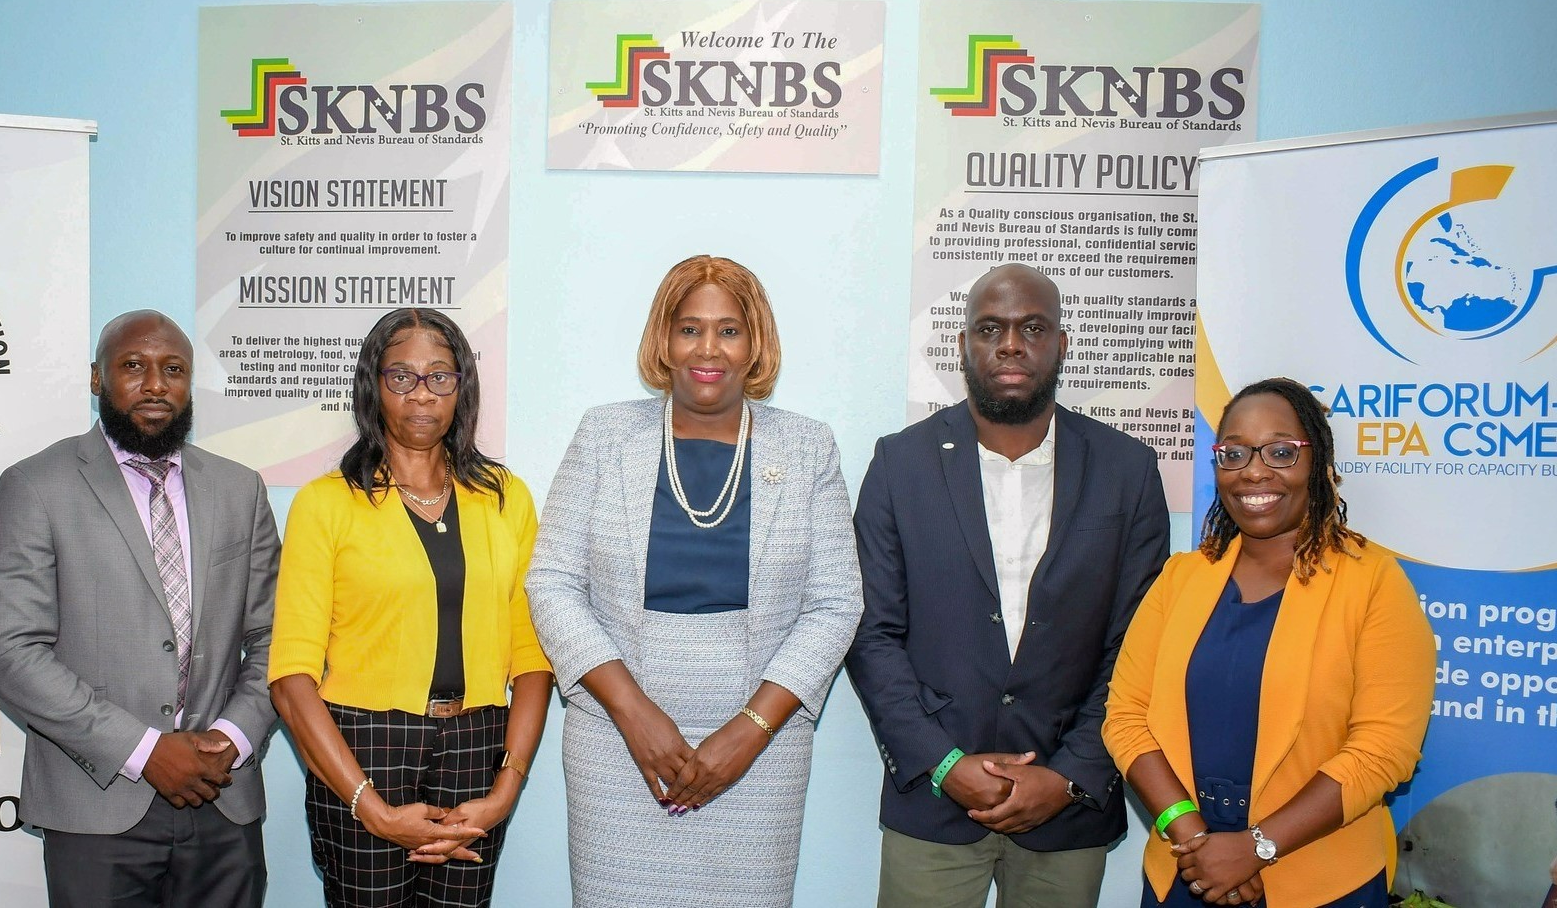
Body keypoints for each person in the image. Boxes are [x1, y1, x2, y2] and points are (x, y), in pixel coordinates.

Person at [527, 255, 864, 907]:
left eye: (729, 330)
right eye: (689, 328)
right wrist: (635, 714)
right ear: (664, 339)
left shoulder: (808, 447)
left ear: (755, 342)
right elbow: (553, 584)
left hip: (760, 756)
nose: (708, 348)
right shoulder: (604, 435)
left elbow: (835, 604)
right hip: (615, 745)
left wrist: (749, 731)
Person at [845, 262, 1170, 908]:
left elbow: (1140, 645)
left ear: (1061, 344)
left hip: (1066, 810)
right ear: (964, 345)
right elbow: (871, 634)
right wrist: (943, 763)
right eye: (990, 328)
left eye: (1033, 328)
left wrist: (1072, 776)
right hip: (934, 801)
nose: (1012, 345)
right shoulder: (899, 464)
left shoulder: (1127, 470)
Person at [0, 310, 282, 908]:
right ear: (97, 379)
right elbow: (9, 650)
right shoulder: (36, 485)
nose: (155, 384)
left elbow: (278, 636)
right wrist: (144, 750)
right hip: (95, 802)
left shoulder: (239, 488)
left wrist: (231, 737)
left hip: (225, 799)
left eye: (173, 370)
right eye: (133, 367)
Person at [1104, 377, 1435, 907]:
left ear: (1318, 463)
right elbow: (1125, 716)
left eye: (1281, 451)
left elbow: (1383, 749)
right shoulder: (1182, 578)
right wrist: (1192, 836)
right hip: (1185, 869)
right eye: (1233, 453)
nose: (1254, 470)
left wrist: (1255, 848)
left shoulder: (1372, 581)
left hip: (1321, 878)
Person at [270, 307, 551, 908]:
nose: (421, 394)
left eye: (439, 376)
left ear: (462, 388)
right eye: (401, 376)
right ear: (374, 388)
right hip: (360, 749)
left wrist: (506, 789)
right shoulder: (326, 505)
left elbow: (531, 657)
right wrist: (370, 807)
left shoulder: (506, 499)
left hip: (478, 744)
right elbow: (292, 675)